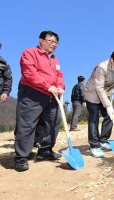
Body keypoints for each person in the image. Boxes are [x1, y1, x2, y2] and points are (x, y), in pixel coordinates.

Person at [15, 31, 65, 172]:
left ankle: (45, 150)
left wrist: (60, 87)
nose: (53, 44)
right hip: (32, 93)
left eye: (56, 42)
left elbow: (59, 76)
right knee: (27, 124)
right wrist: (47, 86)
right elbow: (29, 73)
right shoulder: (30, 53)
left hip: (52, 95)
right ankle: (21, 157)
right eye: (50, 41)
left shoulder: (55, 59)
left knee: (54, 121)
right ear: (41, 40)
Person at [85, 49, 114, 158]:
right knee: (94, 118)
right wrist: (108, 105)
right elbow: (99, 87)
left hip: (104, 93)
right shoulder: (102, 67)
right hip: (93, 94)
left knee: (110, 115)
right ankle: (94, 146)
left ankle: (103, 140)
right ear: (112, 60)